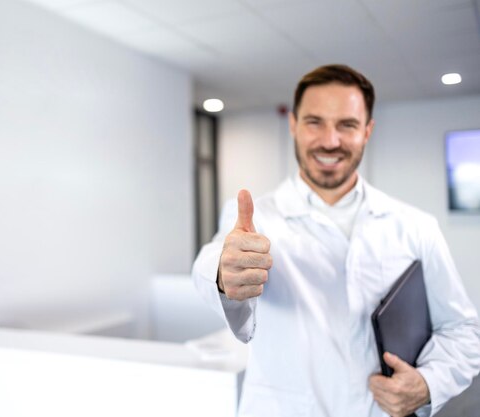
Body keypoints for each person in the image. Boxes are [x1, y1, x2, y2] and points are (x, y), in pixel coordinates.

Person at [192, 64, 480, 417]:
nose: (330, 140)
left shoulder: (416, 226)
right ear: (294, 125)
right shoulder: (257, 220)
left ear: (368, 131)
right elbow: (210, 264)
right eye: (315, 122)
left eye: (347, 125)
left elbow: (462, 330)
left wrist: (428, 383)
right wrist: (225, 272)